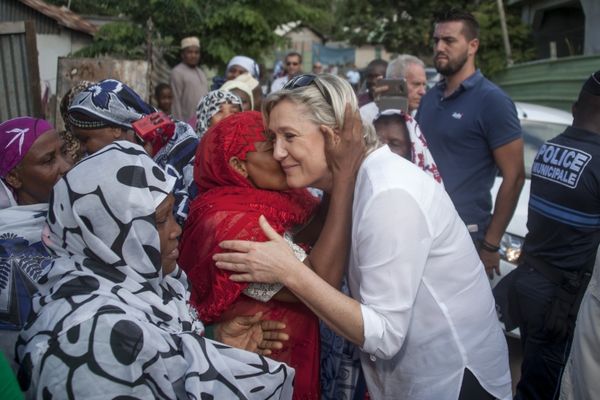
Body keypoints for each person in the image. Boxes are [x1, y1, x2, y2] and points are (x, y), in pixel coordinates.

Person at [213, 74, 512, 400]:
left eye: (289, 136)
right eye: (273, 138)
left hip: (453, 382)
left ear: (331, 135)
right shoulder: (359, 180)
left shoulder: (388, 192)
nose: (279, 152)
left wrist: (288, 270)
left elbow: (385, 336)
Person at [15, 141, 294, 398]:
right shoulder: (92, 337)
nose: (177, 230)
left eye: (171, 214)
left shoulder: (135, 284)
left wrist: (212, 339)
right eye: (159, 221)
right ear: (107, 233)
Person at [180, 111, 324, 398]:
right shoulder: (225, 222)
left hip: (291, 355)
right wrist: (341, 185)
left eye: (287, 140)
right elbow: (317, 285)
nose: (285, 153)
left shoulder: (291, 199)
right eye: (271, 147)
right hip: (261, 366)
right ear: (238, 165)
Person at [495, 71, 600, 400]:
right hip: (562, 300)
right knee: (549, 387)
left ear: (574, 109)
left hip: (532, 284)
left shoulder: (549, 149)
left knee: (533, 376)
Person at [416, 10, 525, 278]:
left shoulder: (493, 102)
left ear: (472, 45)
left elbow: (515, 177)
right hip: (421, 230)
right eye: (436, 40)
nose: (439, 47)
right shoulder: (430, 98)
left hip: (466, 237)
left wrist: (491, 244)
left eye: (449, 41)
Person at [68, 79, 199, 225]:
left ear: (115, 128)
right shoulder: (95, 168)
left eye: (85, 139)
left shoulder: (183, 146)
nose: (81, 148)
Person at [0, 117, 71, 371]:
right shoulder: (10, 253)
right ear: (14, 178)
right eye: (48, 160)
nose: (65, 166)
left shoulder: (73, 218)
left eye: (64, 152)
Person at [373, 109, 442, 183]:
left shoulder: (424, 186)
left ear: (412, 149)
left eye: (394, 144)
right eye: (379, 142)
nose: (384, 149)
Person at [170, 36, 209, 122]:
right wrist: (179, 124)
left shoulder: (201, 72)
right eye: (190, 52)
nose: (193, 55)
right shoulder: (177, 72)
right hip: (187, 122)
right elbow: (175, 101)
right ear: (183, 54)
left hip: (203, 121)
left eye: (196, 52)